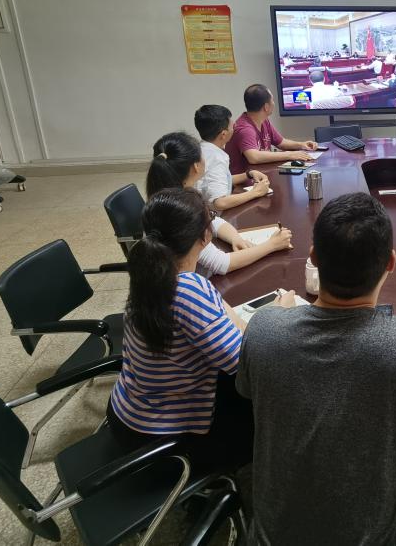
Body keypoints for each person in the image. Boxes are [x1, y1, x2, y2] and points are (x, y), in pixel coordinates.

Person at [236, 193, 396, 545]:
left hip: (273, 539)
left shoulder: (263, 328)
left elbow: (246, 389)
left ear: (313, 257)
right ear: (391, 262)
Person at [106, 187, 297, 468]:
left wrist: (252, 324)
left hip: (130, 413)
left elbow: (227, 322)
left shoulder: (152, 274)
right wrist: (278, 315)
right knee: (281, 401)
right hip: (163, 441)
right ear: (206, 237)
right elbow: (249, 364)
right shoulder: (188, 290)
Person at [149, 132, 293, 277]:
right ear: (195, 167)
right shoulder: (182, 210)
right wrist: (272, 245)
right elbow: (221, 263)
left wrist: (235, 237)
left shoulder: (170, 196)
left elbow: (212, 219)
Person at [225, 84, 319, 174]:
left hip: (261, 174)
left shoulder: (264, 121)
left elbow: (281, 142)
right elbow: (254, 157)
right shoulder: (245, 129)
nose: (274, 103)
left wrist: (301, 145)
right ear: (266, 107)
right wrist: (290, 155)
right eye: (272, 100)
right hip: (244, 181)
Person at [193, 104, 272, 211]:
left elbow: (215, 181)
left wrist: (248, 174)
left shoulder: (202, 149)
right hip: (216, 216)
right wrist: (256, 192)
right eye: (232, 126)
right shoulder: (217, 158)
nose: (234, 128)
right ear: (223, 134)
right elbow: (220, 202)